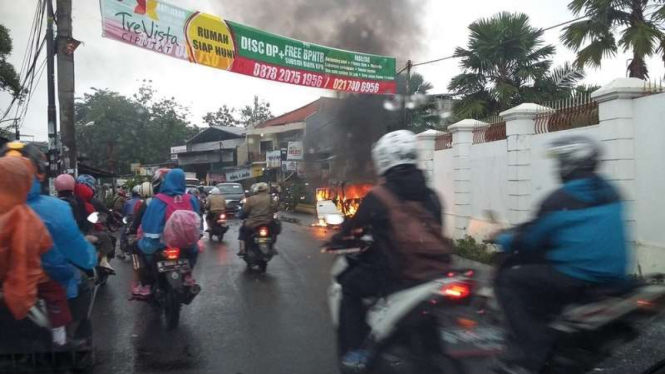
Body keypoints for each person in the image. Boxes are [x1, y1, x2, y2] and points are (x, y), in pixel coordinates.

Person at [492, 135, 629, 374]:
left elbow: (530, 240)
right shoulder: (610, 191)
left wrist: (502, 238)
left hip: (576, 277)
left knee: (509, 280)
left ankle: (532, 355)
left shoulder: (560, 199)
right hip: (616, 276)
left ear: (568, 164)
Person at [332, 130, 453, 372]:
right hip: (439, 272)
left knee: (349, 287)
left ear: (383, 159)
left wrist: (337, 239)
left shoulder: (378, 195)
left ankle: (354, 353)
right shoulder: (432, 195)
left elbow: (352, 230)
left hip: (398, 273)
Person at [0, 142, 97, 346]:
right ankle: (71, 336)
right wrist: (90, 259)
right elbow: (71, 254)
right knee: (80, 282)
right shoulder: (56, 209)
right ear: (39, 172)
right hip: (47, 280)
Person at [138, 169, 201, 293]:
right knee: (194, 251)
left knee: (141, 250)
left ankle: (147, 283)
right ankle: (188, 274)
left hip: (161, 244)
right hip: (185, 244)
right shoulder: (191, 199)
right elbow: (198, 220)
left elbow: (149, 224)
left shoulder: (157, 200)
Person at [237, 182, 277, 256]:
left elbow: (244, 211)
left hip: (253, 223)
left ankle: (242, 249)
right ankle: (272, 247)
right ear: (267, 190)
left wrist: (240, 215)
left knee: (242, 231)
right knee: (274, 231)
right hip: (268, 223)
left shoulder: (251, 199)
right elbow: (275, 209)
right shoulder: (271, 199)